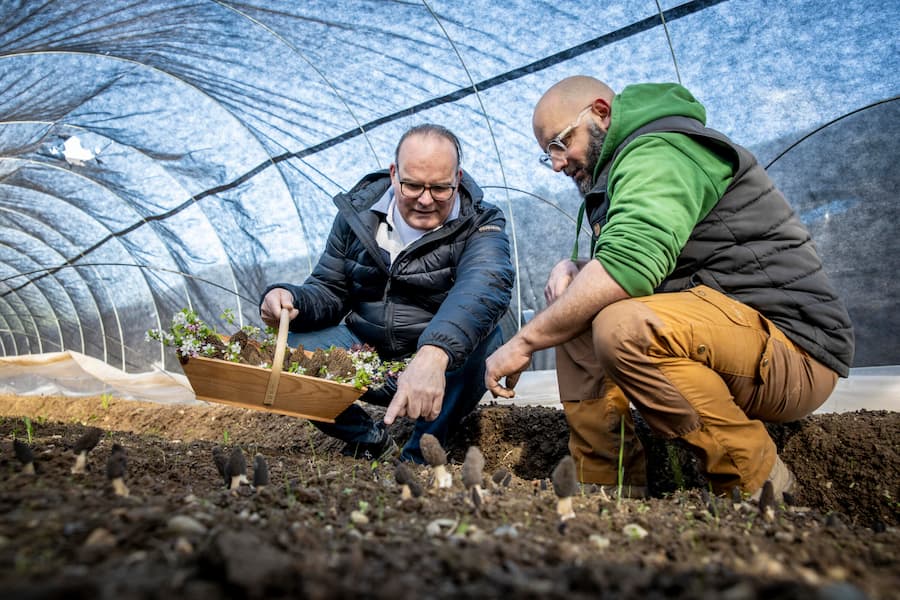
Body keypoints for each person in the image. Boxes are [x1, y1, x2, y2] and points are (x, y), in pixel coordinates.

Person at [485, 76, 853, 499]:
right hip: (731, 342)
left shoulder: (660, 151)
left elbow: (629, 271)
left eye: (559, 143)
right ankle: (607, 485)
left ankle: (758, 486)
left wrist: (524, 342)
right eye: (546, 153)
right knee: (574, 304)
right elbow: (651, 263)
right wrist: (576, 267)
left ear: (601, 112)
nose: (555, 163)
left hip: (795, 353)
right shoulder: (628, 165)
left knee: (622, 326)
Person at [261, 124, 514, 463]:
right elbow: (330, 289)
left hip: (438, 367)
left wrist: (434, 354)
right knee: (289, 351)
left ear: (458, 178)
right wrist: (290, 298)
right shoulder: (357, 216)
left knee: (487, 340)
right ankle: (370, 439)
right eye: (413, 186)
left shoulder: (481, 222)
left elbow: (485, 286)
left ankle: (418, 458)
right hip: (368, 356)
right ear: (394, 174)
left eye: (440, 188)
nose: (426, 200)